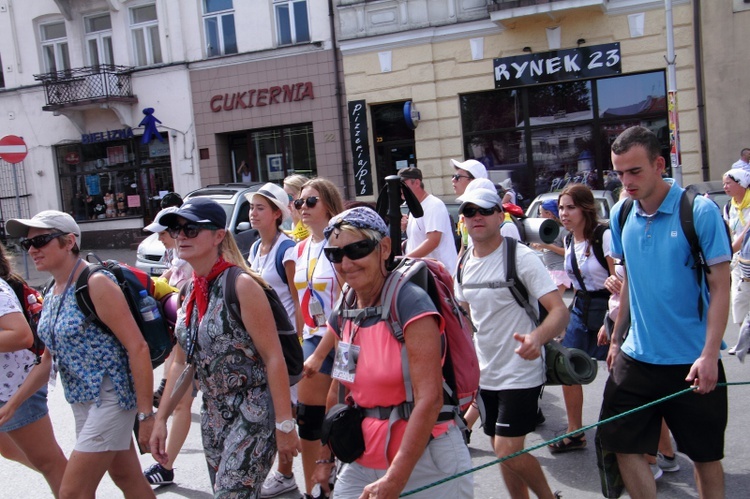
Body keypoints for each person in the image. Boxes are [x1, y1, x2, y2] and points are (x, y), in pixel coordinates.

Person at [307, 206, 474, 498]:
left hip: (427, 458)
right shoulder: (347, 307)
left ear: (384, 248)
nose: (346, 263)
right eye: (335, 254)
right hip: (363, 455)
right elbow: (340, 386)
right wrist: (325, 456)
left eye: (358, 249)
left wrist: (395, 479)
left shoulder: (410, 303)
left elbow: (430, 398)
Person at [601, 125, 731, 498]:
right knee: (620, 443)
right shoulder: (623, 212)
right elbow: (632, 284)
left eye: (634, 171)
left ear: (659, 164)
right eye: (619, 172)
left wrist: (709, 355)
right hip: (636, 358)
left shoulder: (698, 212)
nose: (625, 181)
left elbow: (721, 288)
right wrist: (617, 337)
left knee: (704, 456)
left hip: (691, 360)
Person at [150, 198, 300, 496]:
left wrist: (285, 425)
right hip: (213, 414)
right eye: (177, 230)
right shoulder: (190, 290)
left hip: (253, 410)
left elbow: (274, 358)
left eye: (191, 229)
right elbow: (182, 363)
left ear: (219, 236)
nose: (181, 236)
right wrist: (161, 418)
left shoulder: (241, 284)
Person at [6, 210, 156, 498]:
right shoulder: (51, 290)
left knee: (72, 493)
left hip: (111, 398)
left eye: (41, 241)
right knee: (127, 477)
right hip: (82, 401)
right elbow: (47, 360)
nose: (33, 250)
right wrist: (12, 405)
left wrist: (146, 414)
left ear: (68, 241)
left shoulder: (96, 283)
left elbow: (138, 348)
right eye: (28, 244)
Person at [454, 188, 568, 499]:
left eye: (485, 210)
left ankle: (547, 498)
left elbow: (559, 312)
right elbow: (464, 317)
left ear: (500, 215)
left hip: (521, 371)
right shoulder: (463, 262)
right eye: (469, 210)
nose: (477, 216)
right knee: (499, 447)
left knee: (506, 449)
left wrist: (537, 337)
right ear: (462, 219)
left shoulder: (521, 257)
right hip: (486, 375)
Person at [247, 183, 305, 498]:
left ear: (276, 215)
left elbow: (297, 302)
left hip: (285, 345)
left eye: (260, 208)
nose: (253, 213)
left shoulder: (287, 250)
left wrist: (296, 344)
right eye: (252, 208)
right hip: (262, 343)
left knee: (289, 411)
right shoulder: (255, 249)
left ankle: (286, 474)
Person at [548, 184, 613, 454]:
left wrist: (612, 319)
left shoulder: (603, 236)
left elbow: (619, 281)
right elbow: (570, 281)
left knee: (620, 372)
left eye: (570, 207)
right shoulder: (567, 239)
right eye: (561, 208)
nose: (564, 213)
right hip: (581, 307)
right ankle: (575, 431)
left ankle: (627, 433)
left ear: (586, 208)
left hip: (607, 306)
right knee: (569, 369)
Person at [0, 242, 67, 496]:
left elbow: (21, 335)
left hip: (17, 387)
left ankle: (75, 483)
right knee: (8, 449)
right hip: (6, 388)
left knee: (49, 462)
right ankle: (73, 478)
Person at [292, 178, 344, 499]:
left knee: (341, 421)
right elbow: (299, 301)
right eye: (299, 203)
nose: (303, 208)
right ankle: (316, 490)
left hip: (344, 342)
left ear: (328, 204)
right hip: (312, 340)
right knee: (309, 423)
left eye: (311, 201)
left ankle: (341, 478)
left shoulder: (341, 242)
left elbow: (349, 300)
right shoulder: (299, 248)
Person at [141, 207, 195, 487]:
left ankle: (166, 464)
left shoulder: (190, 263)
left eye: (163, 233)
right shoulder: (176, 260)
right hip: (182, 348)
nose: (159, 239)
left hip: (197, 349)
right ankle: (166, 465)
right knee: (180, 405)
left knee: (181, 405)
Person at [399, 167, 458, 271]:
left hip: (439, 276)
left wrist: (404, 261)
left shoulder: (433, 205)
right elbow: (417, 240)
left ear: (417, 183)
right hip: (423, 274)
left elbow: (433, 241)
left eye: (403, 184)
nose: (400, 189)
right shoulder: (415, 207)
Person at [721, 169, 750, 355]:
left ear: (741, 183)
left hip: (746, 257)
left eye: (729, 183)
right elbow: (730, 232)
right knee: (738, 301)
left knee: (742, 298)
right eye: (724, 183)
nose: (725, 187)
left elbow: (745, 233)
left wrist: (728, 251)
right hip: (738, 262)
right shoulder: (729, 207)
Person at [530, 199, 571, 295]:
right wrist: (540, 247)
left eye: (541, 213)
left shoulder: (562, 230)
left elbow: (568, 252)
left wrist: (548, 246)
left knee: (555, 300)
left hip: (560, 270)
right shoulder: (549, 230)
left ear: (549, 214)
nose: (539, 216)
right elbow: (549, 249)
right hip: (550, 269)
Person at [284, 174, 311, 242]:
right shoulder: (290, 221)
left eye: (290, 196)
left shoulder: (313, 218)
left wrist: (297, 222)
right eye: (284, 197)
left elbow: (306, 246)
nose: (287, 201)